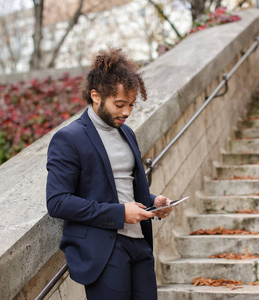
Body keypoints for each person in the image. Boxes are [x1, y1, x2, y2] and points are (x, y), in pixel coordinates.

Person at [46, 47, 173, 300]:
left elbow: (123, 188)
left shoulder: (127, 133)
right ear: (95, 96)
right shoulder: (69, 138)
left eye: (131, 105)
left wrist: (152, 201)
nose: (127, 112)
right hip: (104, 249)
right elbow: (57, 202)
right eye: (119, 104)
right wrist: (120, 213)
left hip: (140, 244)